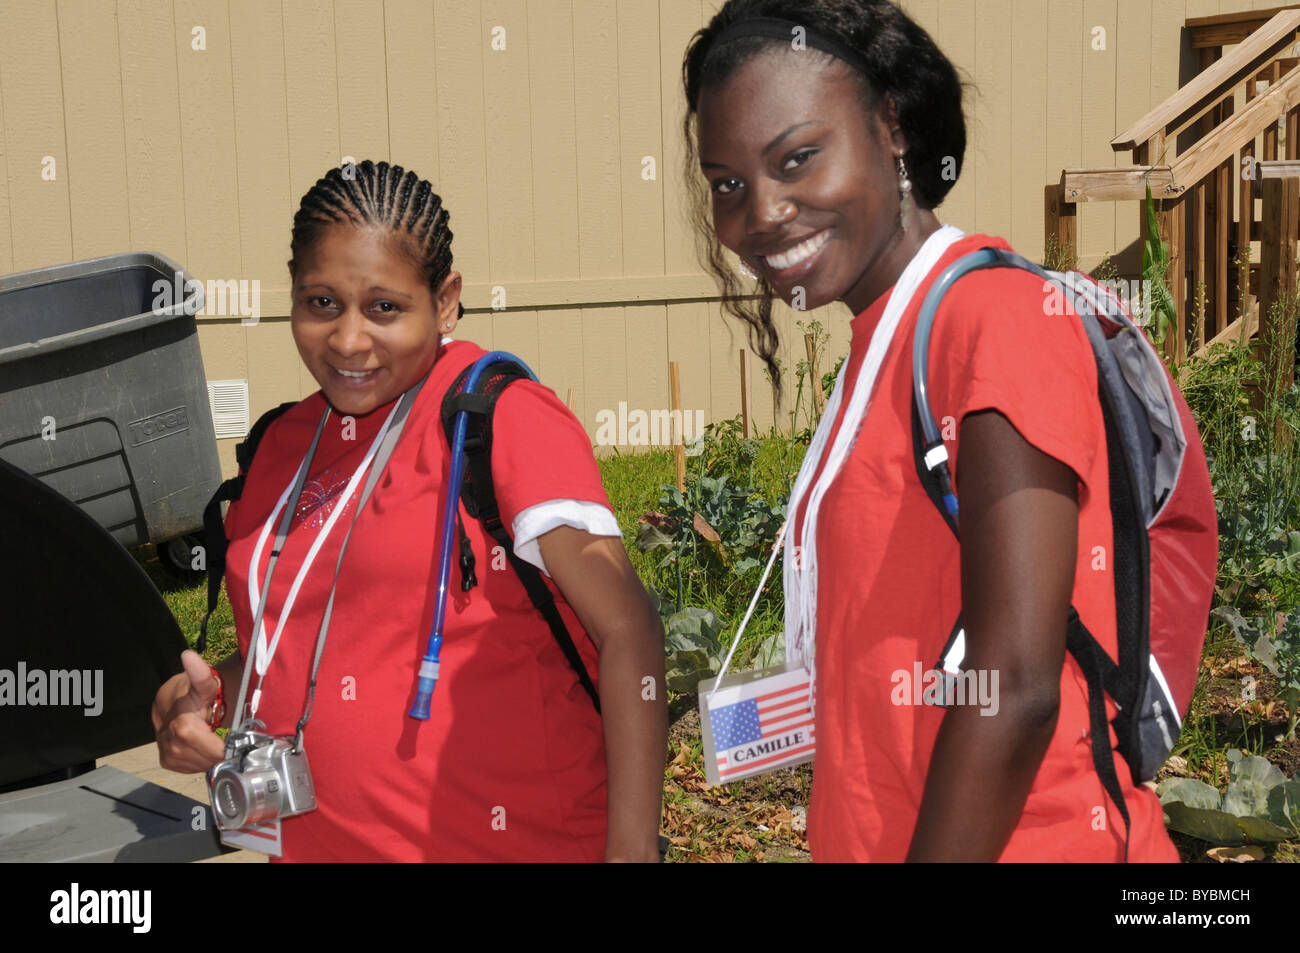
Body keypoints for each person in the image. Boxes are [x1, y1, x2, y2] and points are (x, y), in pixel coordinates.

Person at [681, 0, 1180, 861]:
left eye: (797, 158)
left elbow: (1016, 688)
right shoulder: (886, 340)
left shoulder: (995, 320)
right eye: (728, 183)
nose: (761, 213)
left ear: (894, 127)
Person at [152, 160, 667, 862]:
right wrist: (204, 701)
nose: (348, 340)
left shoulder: (498, 421)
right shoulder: (279, 446)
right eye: (322, 302)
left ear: (445, 300)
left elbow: (627, 626)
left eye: (384, 307)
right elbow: (295, 647)